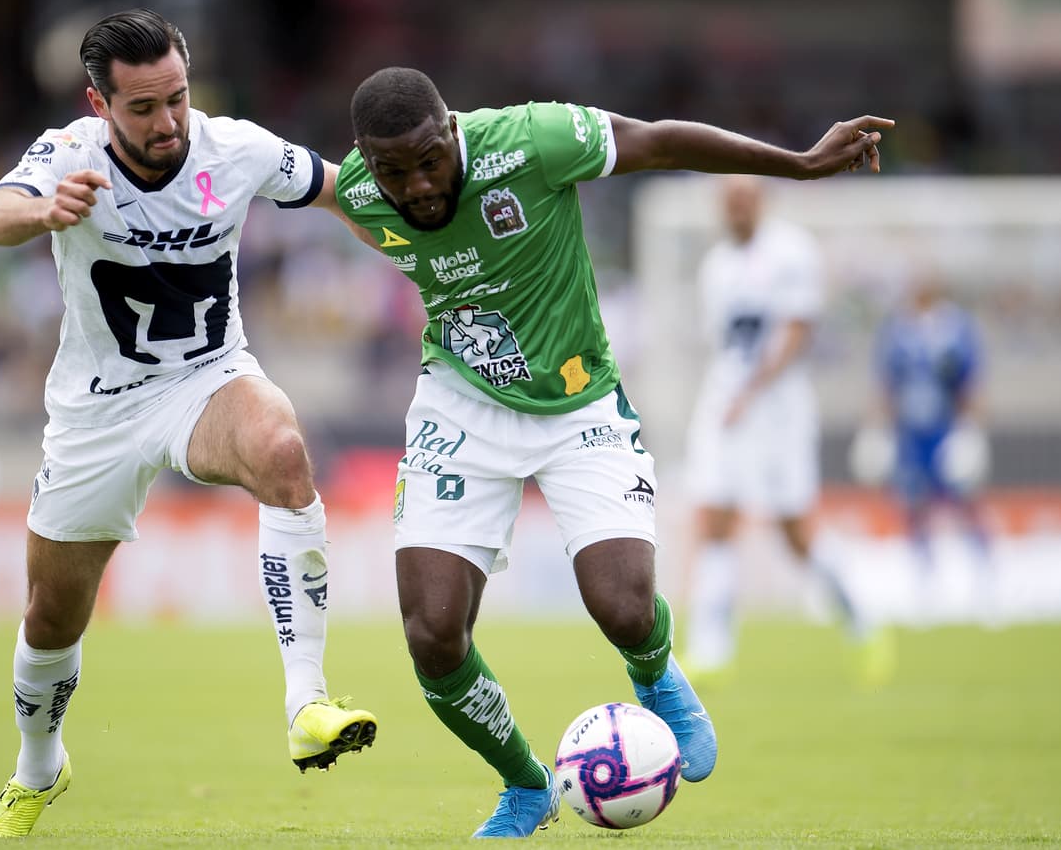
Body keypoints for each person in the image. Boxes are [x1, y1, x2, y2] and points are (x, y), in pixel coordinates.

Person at [338, 66, 892, 838]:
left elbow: (657, 141)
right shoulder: (362, 187)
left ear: (453, 129)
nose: (419, 185)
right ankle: (527, 784)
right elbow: (310, 188)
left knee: (622, 606)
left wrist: (796, 162)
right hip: (459, 406)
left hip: (577, 402)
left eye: (431, 160)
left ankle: (658, 674)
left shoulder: (533, 140)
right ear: (367, 157)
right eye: (394, 172)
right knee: (431, 633)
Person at [0, 10, 376, 839]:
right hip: (97, 407)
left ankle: (307, 702)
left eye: (178, 99)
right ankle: (37, 768)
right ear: (99, 105)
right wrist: (44, 212)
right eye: (144, 108)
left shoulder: (238, 150)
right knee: (52, 614)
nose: (168, 122)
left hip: (206, 378)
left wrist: (430, 258)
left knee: (283, 450)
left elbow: (344, 192)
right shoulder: (67, 158)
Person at [680, 176, 890, 684]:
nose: (736, 209)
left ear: (762, 202)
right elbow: (725, 345)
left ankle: (860, 615)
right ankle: (712, 646)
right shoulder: (716, 266)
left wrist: (751, 393)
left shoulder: (791, 251)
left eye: (745, 199)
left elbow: (797, 331)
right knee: (712, 516)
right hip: (725, 403)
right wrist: (733, 396)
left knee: (795, 531)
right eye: (728, 201)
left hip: (778, 410)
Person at [872, 275, 991, 592]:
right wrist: (877, 429)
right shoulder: (897, 328)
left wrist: (969, 430)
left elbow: (972, 383)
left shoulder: (957, 328)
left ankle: (984, 571)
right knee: (913, 503)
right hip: (911, 432)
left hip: (946, 427)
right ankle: (925, 576)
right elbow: (886, 383)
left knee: (964, 500)